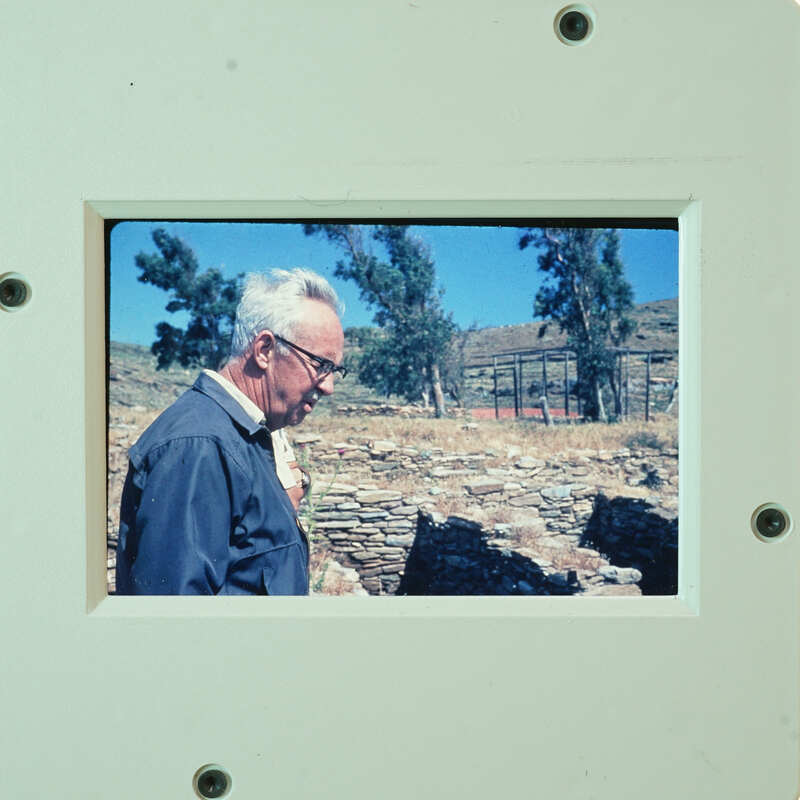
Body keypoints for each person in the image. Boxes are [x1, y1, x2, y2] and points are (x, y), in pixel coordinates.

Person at [115, 268, 345, 595]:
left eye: (335, 370)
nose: (329, 387)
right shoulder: (199, 446)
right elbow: (175, 614)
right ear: (264, 350)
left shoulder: (242, 436)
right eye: (321, 365)